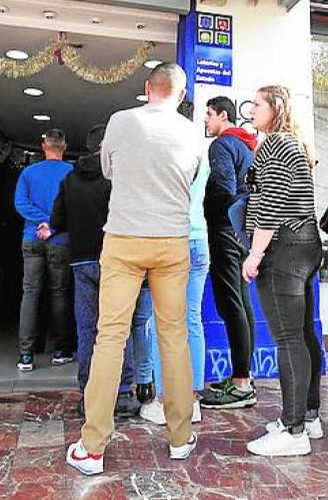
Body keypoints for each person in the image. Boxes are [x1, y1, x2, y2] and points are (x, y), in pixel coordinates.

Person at [65, 63, 204, 476]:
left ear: (147, 88)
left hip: (124, 238)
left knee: (110, 336)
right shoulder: (193, 132)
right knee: (174, 337)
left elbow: (108, 170)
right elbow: (193, 176)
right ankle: (180, 437)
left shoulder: (121, 121)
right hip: (172, 241)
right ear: (181, 96)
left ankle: (93, 447)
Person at [240, 85, 323, 457]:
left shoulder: (274, 144)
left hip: (282, 247)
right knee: (303, 335)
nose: (251, 108)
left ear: (275, 108)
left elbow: (271, 203)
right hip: (305, 244)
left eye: (257, 103)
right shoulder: (297, 144)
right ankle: (307, 416)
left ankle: (293, 432)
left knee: (289, 339)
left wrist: (255, 254)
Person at [49, 124, 148, 420]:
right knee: (120, 328)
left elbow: (58, 220)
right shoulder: (118, 178)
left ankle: (88, 396)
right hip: (116, 260)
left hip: (81, 262)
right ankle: (120, 396)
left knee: (88, 329)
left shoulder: (69, 179)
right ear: (107, 145)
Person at [141, 100, 212, 426]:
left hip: (170, 240)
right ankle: (193, 400)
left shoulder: (163, 147)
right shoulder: (201, 147)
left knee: (161, 324)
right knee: (192, 321)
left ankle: (164, 401)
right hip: (199, 239)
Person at [199, 95, 259, 410]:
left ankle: (240, 384)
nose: (206, 121)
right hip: (243, 233)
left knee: (230, 303)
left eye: (209, 114)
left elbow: (224, 186)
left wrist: (218, 214)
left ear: (223, 115)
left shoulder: (221, 145)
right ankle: (243, 376)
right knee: (242, 302)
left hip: (225, 230)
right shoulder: (248, 146)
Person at [14, 129, 75, 372]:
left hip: (32, 237)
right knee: (59, 294)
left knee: (30, 293)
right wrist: (52, 223)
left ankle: (26, 354)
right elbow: (74, 206)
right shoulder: (72, 173)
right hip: (60, 240)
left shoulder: (29, 172)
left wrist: (41, 220)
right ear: (65, 146)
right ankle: (61, 350)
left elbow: (20, 203)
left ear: (43, 146)